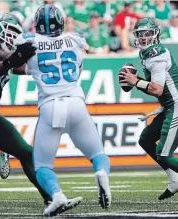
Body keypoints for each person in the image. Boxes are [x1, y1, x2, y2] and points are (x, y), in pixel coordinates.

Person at [13, 5, 111, 216]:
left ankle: (57, 195)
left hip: (50, 106)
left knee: (41, 166)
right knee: (98, 154)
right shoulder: (75, 39)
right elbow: (77, 65)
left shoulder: (30, 41)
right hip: (76, 103)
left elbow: (17, 67)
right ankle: (101, 173)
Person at [0, 13, 69, 211]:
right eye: (11, 32)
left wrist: (51, 63)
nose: (13, 37)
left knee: (28, 153)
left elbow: (25, 67)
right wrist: (12, 60)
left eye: (17, 33)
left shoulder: (4, 53)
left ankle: (51, 199)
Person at [119, 17, 178, 203]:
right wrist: (138, 83)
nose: (143, 38)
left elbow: (156, 89)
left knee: (164, 154)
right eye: (140, 34)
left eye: (147, 33)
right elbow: (155, 88)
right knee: (146, 139)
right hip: (170, 106)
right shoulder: (147, 54)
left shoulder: (157, 53)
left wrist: (136, 82)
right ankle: (175, 179)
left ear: (156, 34)